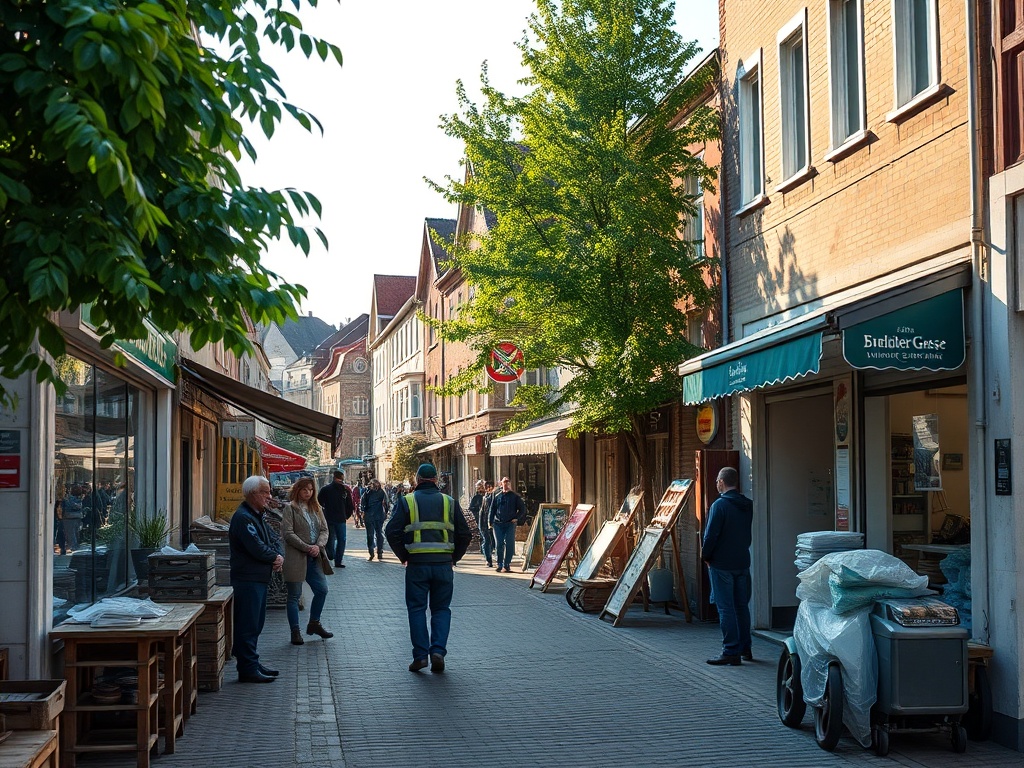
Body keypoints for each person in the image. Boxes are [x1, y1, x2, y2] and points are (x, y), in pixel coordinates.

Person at [385, 463, 471, 673]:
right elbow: (465, 534)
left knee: (417, 609)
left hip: (417, 565)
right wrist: (454, 557)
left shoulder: (407, 501)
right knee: (441, 609)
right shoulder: (449, 502)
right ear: (436, 479)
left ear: (417, 479)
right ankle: (438, 651)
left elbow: (391, 531)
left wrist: (404, 555)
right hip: (443, 565)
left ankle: (421, 656)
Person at [229, 475, 284, 683]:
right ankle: (247, 667)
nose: (269, 496)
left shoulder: (258, 515)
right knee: (248, 624)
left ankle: (252, 662)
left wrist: (278, 556)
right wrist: (274, 557)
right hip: (248, 579)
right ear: (253, 494)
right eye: (265, 492)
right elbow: (256, 547)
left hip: (259, 578)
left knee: (256, 623)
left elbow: (273, 539)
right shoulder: (243, 518)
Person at [701, 466, 754, 666]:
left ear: (722, 482)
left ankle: (731, 650)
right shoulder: (747, 505)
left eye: (717, 481)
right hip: (742, 562)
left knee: (726, 608)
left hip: (722, 564)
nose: (716, 484)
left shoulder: (719, 505)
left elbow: (711, 535)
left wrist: (706, 556)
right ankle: (745, 648)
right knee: (742, 607)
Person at [282, 477, 334, 645]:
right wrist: (306, 547)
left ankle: (314, 623)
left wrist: (318, 546)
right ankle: (295, 631)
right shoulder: (290, 508)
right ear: (298, 490)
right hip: (296, 557)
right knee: (294, 596)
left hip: (314, 557)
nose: (308, 493)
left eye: (311, 490)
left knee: (322, 590)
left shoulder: (316, 508)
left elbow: (324, 530)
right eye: (305, 490)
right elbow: (288, 533)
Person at [488, 476, 527, 573]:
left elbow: (523, 509)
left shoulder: (515, 496)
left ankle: (507, 564)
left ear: (510, 484)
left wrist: (516, 518)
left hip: (510, 524)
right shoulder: (496, 495)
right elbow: (492, 509)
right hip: (498, 523)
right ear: (501, 484)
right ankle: (500, 564)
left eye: (507, 482)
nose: (506, 484)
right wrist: (490, 521)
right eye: (504, 482)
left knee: (509, 544)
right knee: (499, 544)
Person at [318, 470, 354, 569]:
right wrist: (346, 515)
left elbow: (318, 503)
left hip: (329, 518)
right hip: (339, 519)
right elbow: (350, 505)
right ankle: (337, 560)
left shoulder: (326, 489)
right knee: (341, 540)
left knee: (331, 539)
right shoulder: (344, 490)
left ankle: (332, 555)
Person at [360, 479, 390, 560]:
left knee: (370, 535)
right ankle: (379, 551)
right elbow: (387, 504)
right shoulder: (382, 492)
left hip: (370, 516)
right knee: (378, 534)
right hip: (378, 515)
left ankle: (372, 552)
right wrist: (385, 513)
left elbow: (362, 504)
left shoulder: (367, 492)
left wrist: (363, 512)